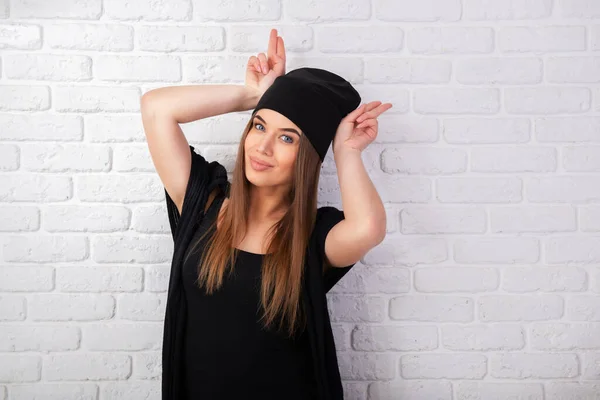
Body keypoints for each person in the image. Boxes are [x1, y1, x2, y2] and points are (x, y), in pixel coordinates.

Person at [141, 28, 391, 400]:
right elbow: (156, 108)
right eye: (259, 126)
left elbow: (368, 228)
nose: (263, 146)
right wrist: (252, 95)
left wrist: (347, 152)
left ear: (309, 159)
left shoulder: (314, 238)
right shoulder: (204, 204)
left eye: (287, 138)